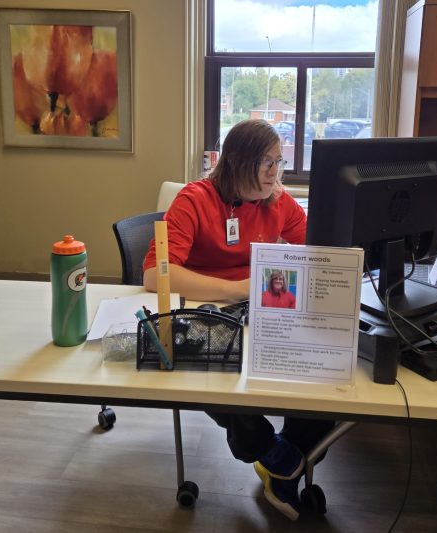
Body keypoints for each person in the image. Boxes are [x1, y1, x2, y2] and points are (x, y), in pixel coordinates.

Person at [143, 119, 335, 521]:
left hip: (262, 307)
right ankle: (270, 455)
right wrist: (236, 289)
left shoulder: (276, 200)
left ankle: (285, 459)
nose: (275, 174)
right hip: (207, 312)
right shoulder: (195, 199)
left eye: (279, 162)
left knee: (324, 369)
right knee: (224, 378)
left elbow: (320, 246)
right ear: (235, 161)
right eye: (267, 163)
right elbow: (155, 274)